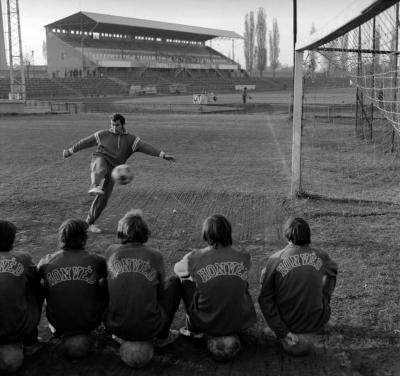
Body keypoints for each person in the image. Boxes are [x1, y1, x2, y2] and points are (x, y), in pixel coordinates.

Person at [62, 113, 176, 233]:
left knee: (104, 198)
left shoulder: (131, 139)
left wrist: (162, 155)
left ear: (122, 125)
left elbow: (146, 147)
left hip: (115, 170)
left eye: (117, 125)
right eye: (112, 124)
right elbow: (85, 142)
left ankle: (89, 223)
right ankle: (94, 185)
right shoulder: (103, 134)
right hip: (100, 158)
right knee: (100, 169)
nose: (114, 127)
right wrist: (70, 151)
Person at [258, 217, 338, 355]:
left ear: (286, 235)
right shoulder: (320, 255)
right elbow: (333, 272)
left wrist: (281, 330)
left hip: (288, 325)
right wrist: (325, 297)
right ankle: (314, 321)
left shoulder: (275, 260)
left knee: (265, 279)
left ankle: (282, 330)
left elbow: (265, 299)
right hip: (316, 321)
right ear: (308, 234)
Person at [104, 209, 182, 348]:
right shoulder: (155, 255)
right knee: (174, 282)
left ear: (121, 233)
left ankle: (116, 329)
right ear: (144, 233)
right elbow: (159, 291)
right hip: (151, 327)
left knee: (104, 281)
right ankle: (162, 337)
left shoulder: (111, 250)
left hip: (116, 327)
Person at [174, 214, 257, 338]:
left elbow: (177, 269)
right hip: (239, 322)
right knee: (240, 282)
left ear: (206, 234)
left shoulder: (193, 258)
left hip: (205, 323)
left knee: (184, 281)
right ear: (228, 232)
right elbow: (249, 276)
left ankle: (193, 328)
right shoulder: (244, 256)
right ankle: (233, 321)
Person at [38, 219, 108, 340]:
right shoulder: (97, 260)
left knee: (42, 286)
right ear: (84, 238)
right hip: (90, 323)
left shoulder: (46, 261)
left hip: (58, 323)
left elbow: (35, 281)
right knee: (105, 282)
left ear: (61, 238)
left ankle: (52, 328)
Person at [0, 220, 44, 355]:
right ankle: (30, 341)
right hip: (16, 330)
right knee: (37, 287)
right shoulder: (22, 258)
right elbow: (37, 279)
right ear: (12, 239)